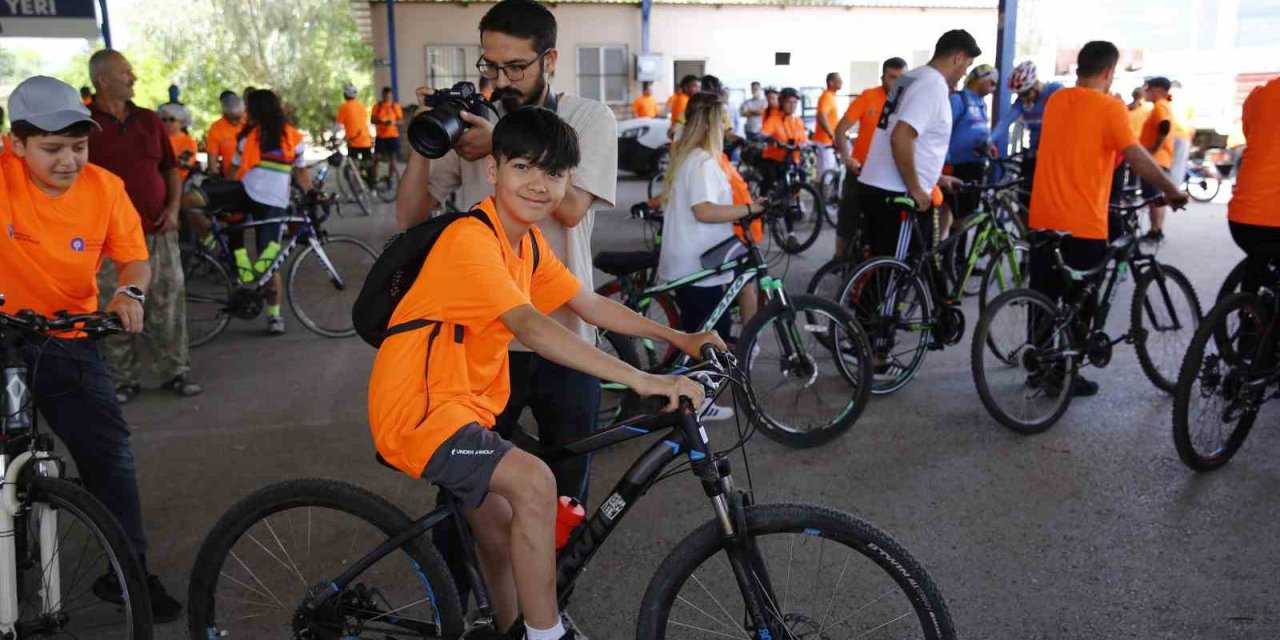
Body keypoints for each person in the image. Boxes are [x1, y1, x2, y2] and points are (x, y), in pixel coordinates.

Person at [371, 106, 716, 640]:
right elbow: (531, 328)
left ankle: (511, 627)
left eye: (554, 173)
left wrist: (681, 339)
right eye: (524, 168)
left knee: (499, 528)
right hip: (421, 412)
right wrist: (643, 379)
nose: (539, 184)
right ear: (494, 171)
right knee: (534, 483)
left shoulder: (525, 244)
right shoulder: (470, 239)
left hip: (464, 408)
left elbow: (588, 305)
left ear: (569, 181)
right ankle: (545, 634)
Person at [395, 1, 619, 600]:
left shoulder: (588, 118)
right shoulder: (470, 122)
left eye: (516, 66)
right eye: (489, 65)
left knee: (563, 494)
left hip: (565, 338)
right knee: (466, 493)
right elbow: (410, 217)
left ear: (549, 59)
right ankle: (459, 608)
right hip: (479, 346)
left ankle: (547, 613)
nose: (500, 79)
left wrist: (503, 143)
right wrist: (426, 137)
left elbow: (568, 207)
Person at [0, 74, 184, 621]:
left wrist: (129, 292)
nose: (68, 162)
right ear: (16, 145)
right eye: (52, 149)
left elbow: (134, 259)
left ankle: (128, 572)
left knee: (110, 454)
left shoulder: (104, 187)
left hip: (68, 336)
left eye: (77, 147)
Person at [1027, 41, 1187, 396]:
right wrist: (1171, 189)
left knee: (1044, 297)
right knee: (1081, 301)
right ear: (1108, 72)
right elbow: (1136, 157)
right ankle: (1067, 374)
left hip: (1042, 216)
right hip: (1082, 221)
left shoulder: (1056, 101)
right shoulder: (1110, 108)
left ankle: (1040, 368)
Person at [86, 49, 201, 404]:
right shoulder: (83, 123)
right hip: (108, 240)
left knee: (169, 302)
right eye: (126, 72)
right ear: (103, 79)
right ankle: (123, 380)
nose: (133, 77)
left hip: (157, 230)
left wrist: (172, 207)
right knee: (115, 306)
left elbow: (169, 169)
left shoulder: (150, 120)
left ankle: (175, 372)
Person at [656, 92, 761, 424]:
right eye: (723, 118)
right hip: (698, 263)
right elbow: (703, 210)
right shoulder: (702, 161)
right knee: (704, 336)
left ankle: (697, 392)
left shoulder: (689, 157)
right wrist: (750, 208)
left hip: (695, 259)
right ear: (713, 122)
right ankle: (696, 402)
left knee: (701, 329)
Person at [858, 31, 979, 259]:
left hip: (876, 185)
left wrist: (937, 179)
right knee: (895, 277)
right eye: (968, 64)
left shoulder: (909, 78)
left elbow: (901, 136)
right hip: (899, 194)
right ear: (958, 57)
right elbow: (901, 137)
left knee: (885, 272)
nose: (965, 72)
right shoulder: (932, 86)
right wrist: (915, 187)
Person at [228, 89, 317, 335]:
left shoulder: (249, 136)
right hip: (273, 203)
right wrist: (311, 193)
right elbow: (301, 172)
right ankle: (274, 316)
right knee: (270, 259)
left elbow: (234, 171)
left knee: (251, 251)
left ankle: (245, 277)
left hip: (247, 197)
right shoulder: (292, 137)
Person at [1226, 76, 1279, 302]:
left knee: (1261, 262)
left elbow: (1253, 135)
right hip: (1275, 221)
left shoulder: (1259, 94)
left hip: (1241, 219)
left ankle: (1250, 316)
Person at [943, 63, 998, 231]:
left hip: (976, 165)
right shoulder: (958, 100)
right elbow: (942, 130)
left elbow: (978, 130)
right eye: (992, 83)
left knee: (968, 215)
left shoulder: (981, 103)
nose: (993, 88)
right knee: (959, 215)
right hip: (957, 166)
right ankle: (952, 255)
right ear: (980, 81)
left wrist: (988, 144)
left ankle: (959, 255)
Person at [993, 60, 1064, 182]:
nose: (1023, 98)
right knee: (1025, 194)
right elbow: (1005, 122)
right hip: (1033, 154)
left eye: (1025, 94)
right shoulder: (1022, 102)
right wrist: (989, 140)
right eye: (1019, 95)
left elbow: (1065, 125)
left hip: (1053, 156)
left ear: (1035, 84)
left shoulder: (1055, 91)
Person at [1140, 76, 1175, 242]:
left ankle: (1156, 231)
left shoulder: (1160, 106)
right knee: (1155, 197)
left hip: (1156, 160)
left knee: (1154, 198)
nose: (1145, 92)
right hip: (1159, 159)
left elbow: (1164, 126)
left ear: (1159, 89)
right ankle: (1156, 230)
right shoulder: (1162, 106)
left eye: (1148, 89)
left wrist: (1153, 149)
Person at [758, 87, 808, 186]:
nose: (792, 106)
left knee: (800, 179)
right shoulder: (774, 119)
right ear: (781, 103)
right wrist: (772, 140)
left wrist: (806, 145)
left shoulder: (798, 121)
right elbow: (762, 134)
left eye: (795, 103)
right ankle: (763, 199)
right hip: (774, 159)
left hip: (792, 159)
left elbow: (804, 139)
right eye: (789, 102)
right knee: (769, 183)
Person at [336, 82, 374, 182]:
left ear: (345, 94)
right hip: (366, 139)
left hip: (353, 141)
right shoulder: (362, 106)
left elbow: (338, 126)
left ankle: (357, 186)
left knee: (353, 165)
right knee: (368, 163)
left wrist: (334, 137)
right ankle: (372, 185)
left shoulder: (344, 107)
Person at [206, 91, 247, 178]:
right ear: (224, 113)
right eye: (232, 118)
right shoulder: (216, 128)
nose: (237, 122)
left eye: (239, 117)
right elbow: (212, 160)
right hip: (232, 180)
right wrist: (216, 177)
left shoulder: (251, 122)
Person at [812, 72, 843, 178]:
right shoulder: (827, 97)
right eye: (839, 80)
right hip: (825, 141)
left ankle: (820, 193)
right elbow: (821, 116)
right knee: (826, 174)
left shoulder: (830, 97)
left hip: (826, 141)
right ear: (831, 82)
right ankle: (823, 194)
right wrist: (831, 134)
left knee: (823, 173)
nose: (841, 82)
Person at [159, 102, 199, 179]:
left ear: (182, 121)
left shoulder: (189, 142)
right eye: (164, 119)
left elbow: (182, 163)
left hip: (180, 181)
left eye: (172, 119)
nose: (167, 123)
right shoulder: (157, 139)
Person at [372, 86, 405, 179]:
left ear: (391, 96)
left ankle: (390, 179)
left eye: (389, 96)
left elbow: (401, 121)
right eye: (385, 95)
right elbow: (372, 120)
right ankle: (375, 178)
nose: (387, 97)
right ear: (382, 95)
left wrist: (393, 122)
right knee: (377, 158)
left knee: (393, 159)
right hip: (381, 136)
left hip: (393, 136)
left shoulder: (395, 106)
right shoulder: (377, 107)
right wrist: (381, 122)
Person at [666, 74, 700, 140]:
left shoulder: (687, 99)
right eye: (694, 86)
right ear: (686, 87)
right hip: (681, 141)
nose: (698, 89)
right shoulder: (683, 100)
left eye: (698, 86)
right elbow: (679, 122)